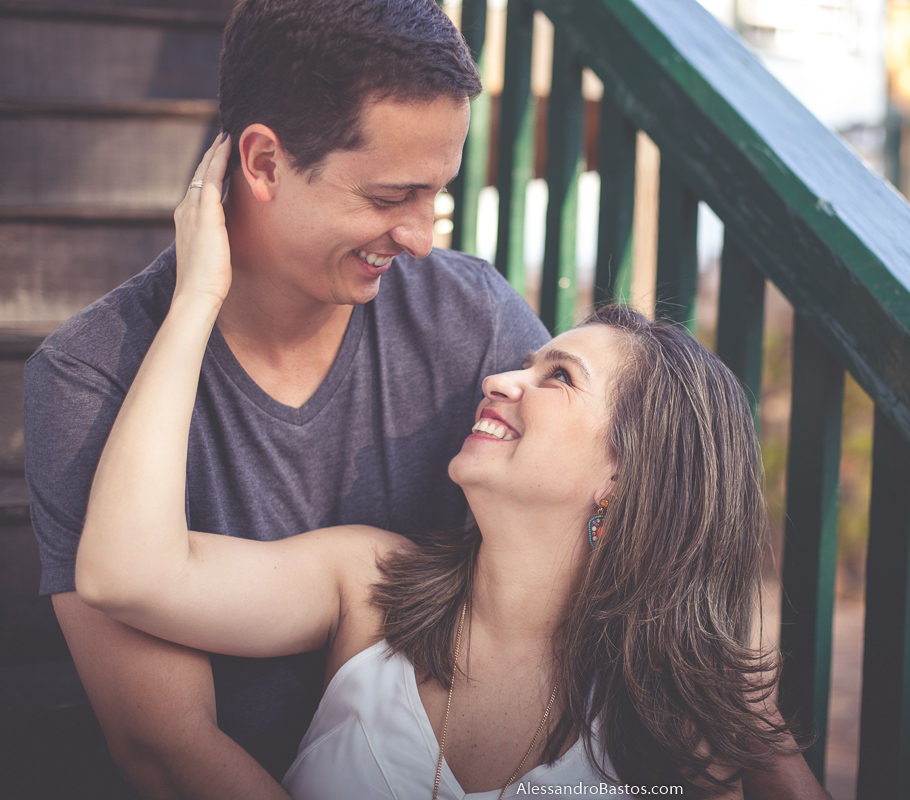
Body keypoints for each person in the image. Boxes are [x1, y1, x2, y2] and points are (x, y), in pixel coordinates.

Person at [74, 133, 829, 799]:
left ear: (626, 478)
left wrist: (734, 704)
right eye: (527, 364)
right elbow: (125, 574)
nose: (502, 379)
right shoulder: (368, 587)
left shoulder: (662, 724)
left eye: (557, 378)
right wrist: (200, 295)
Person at [23, 0, 548, 796]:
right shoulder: (89, 378)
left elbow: (635, 533)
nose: (420, 236)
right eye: (387, 196)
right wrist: (195, 302)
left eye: (434, 193)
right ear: (262, 164)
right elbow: (168, 748)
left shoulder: (469, 317)